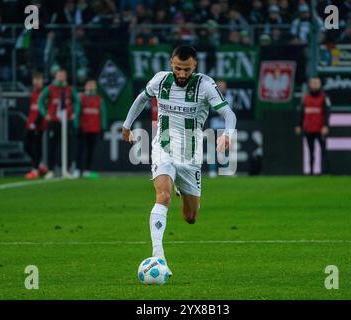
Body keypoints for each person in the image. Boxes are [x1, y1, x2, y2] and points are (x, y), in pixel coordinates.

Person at [121, 45, 237, 274]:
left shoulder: (205, 85)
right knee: (162, 195)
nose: (182, 74)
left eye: (187, 69)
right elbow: (140, 100)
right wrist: (126, 126)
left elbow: (228, 114)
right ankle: (158, 254)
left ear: (195, 66)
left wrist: (227, 134)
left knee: (190, 217)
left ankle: (182, 189)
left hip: (190, 156)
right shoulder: (160, 81)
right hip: (163, 147)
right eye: (178, 68)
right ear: (170, 64)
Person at [38, 69, 80, 178]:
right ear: (55, 76)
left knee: (67, 146)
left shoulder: (69, 89)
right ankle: (51, 170)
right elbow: (40, 102)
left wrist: (75, 113)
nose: (61, 77)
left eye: (63, 75)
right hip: (53, 121)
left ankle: (66, 169)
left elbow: (77, 102)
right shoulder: (50, 88)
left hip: (67, 122)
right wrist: (45, 114)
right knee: (52, 146)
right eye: (59, 75)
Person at [295, 77, 331, 175]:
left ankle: (325, 171)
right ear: (309, 85)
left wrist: (325, 126)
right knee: (310, 151)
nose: (315, 85)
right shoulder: (305, 97)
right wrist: (299, 125)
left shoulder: (324, 97)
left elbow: (327, 112)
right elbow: (302, 112)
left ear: (320, 85)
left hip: (319, 128)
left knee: (323, 151)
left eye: (317, 83)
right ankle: (310, 171)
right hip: (308, 127)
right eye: (313, 83)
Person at [75, 79, 107, 178]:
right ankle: (77, 170)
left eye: (93, 85)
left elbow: (103, 114)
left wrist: (103, 127)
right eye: (89, 85)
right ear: (85, 86)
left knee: (90, 151)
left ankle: (87, 170)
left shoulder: (99, 99)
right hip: (83, 128)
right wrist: (76, 125)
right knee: (80, 150)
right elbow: (77, 112)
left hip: (94, 129)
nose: (91, 87)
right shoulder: (81, 98)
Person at [24, 72, 48, 179]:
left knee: (36, 146)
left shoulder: (44, 93)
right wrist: (30, 122)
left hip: (39, 125)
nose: (37, 82)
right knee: (27, 146)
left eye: (39, 80)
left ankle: (35, 170)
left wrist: (36, 123)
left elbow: (42, 110)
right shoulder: (33, 93)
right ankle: (40, 165)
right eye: (35, 79)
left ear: (42, 81)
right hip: (30, 124)